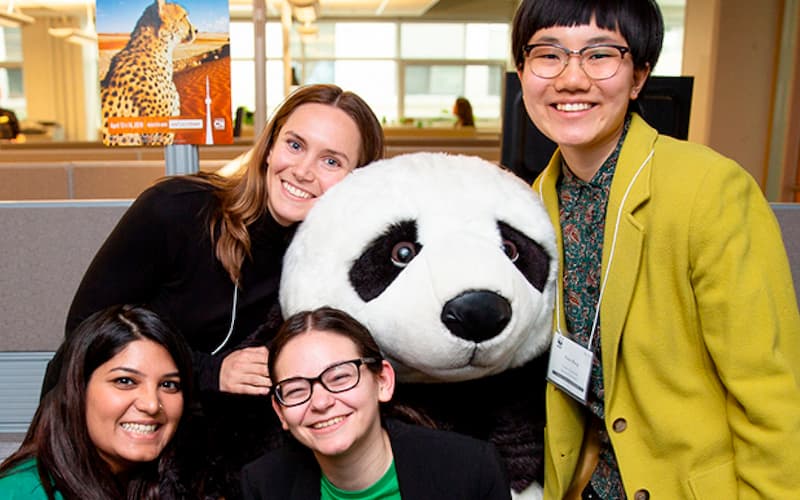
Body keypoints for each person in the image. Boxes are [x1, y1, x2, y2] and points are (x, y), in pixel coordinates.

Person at [511, 1, 800, 498]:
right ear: (522, 71)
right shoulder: (534, 201)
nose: (571, 79)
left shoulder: (709, 188)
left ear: (639, 75)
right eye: (548, 54)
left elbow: (770, 392)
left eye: (600, 55)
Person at [42, 83, 385, 497]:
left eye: (331, 160)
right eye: (295, 145)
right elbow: (84, 330)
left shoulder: (330, 267)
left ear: (358, 179)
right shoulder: (177, 208)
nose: (303, 171)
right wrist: (212, 370)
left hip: (210, 461)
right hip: (106, 439)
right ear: (271, 145)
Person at [240, 307, 512, 500]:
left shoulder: (471, 470)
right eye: (297, 390)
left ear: (382, 381)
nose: (321, 401)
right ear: (281, 412)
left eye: (339, 377)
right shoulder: (264, 485)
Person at [0, 304, 194, 499]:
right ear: (79, 390)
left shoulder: (176, 483)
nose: (152, 404)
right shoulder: (23, 492)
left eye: (169, 385)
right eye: (125, 381)